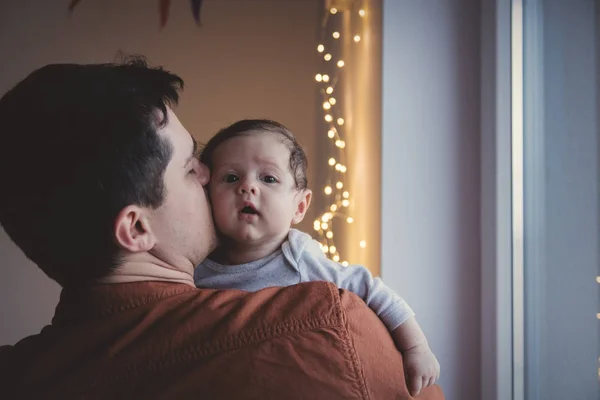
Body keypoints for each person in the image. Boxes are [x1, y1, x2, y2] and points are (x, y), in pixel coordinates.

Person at [0, 57, 444, 399]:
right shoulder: (325, 326)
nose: (211, 177)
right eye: (192, 168)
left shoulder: (18, 377)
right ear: (136, 229)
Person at [195, 119, 441, 396]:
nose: (247, 186)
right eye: (231, 178)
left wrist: (416, 348)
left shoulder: (299, 257)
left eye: (268, 178)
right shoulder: (197, 268)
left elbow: (372, 290)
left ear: (299, 206)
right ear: (206, 195)